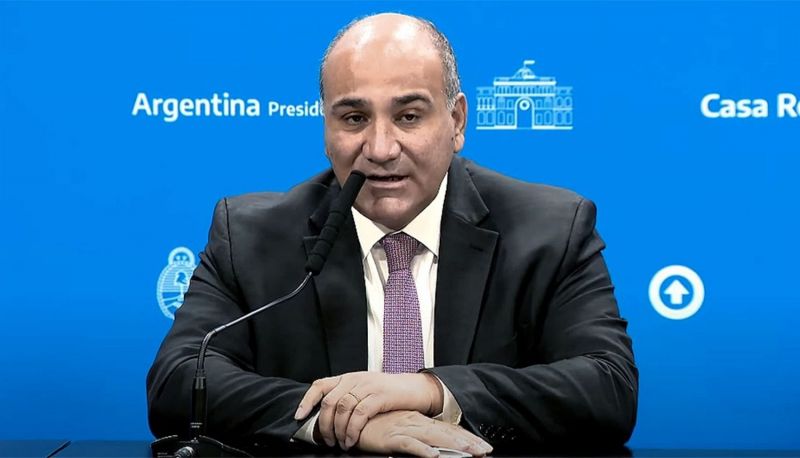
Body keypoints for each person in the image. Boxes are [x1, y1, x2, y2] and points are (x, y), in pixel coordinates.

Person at [147, 12, 638, 457]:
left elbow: (608, 387)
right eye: (354, 118)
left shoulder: (550, 229)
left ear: (456, 121)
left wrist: (430, 390)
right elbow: (180, 380)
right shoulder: (251, 235)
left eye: (408, 116)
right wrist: (344, 420)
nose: (380, 149)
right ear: (326, 128)